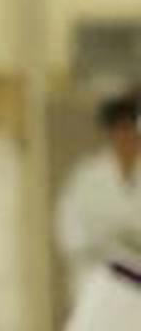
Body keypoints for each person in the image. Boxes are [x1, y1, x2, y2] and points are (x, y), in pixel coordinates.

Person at [55, 89, 141, 296]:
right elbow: (70, 231)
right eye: (122, 129)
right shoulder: (86, 177)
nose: (128, 137)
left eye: (133, 130)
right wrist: (111, 241)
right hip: (98, 279)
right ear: (111, 133)